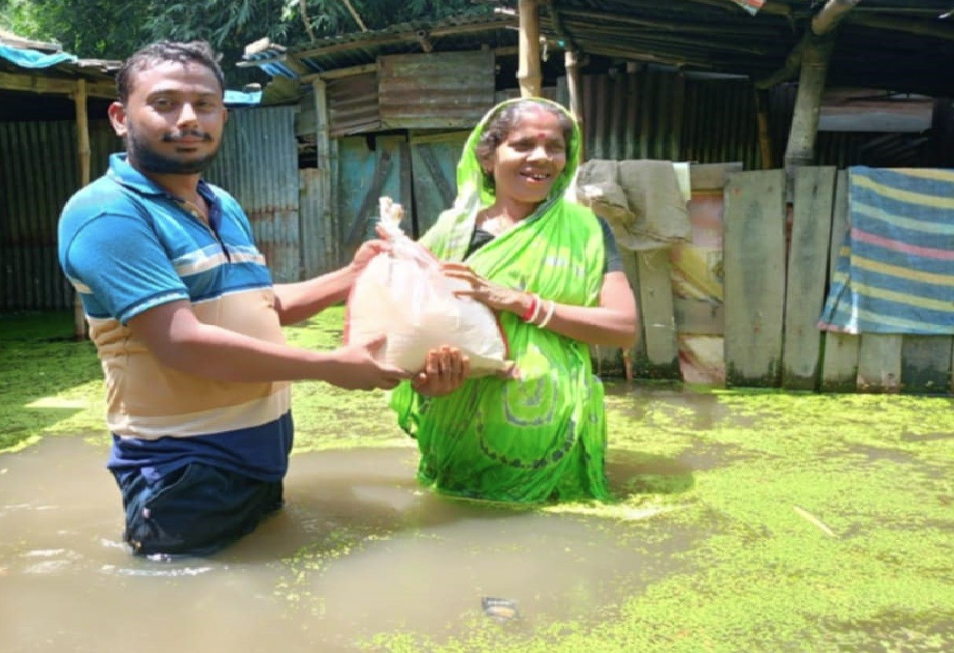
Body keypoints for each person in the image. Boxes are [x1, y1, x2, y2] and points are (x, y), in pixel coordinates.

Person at [57, 41, 452, 558]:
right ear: (120, 117)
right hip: (185, 466)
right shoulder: (109, 215)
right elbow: (182, 341)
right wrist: (329, 365)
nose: (189, 118)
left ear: (224, 114)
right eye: (164, 103)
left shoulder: (218, 203)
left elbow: (263, 304)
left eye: (204, 105)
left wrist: (354, 275)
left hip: (258, 454)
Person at [388, 97, 638, 504]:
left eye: (554, 147)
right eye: (522, 145)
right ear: (488, 157)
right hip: (456, 429)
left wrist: (522, 303)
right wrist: (429, 380)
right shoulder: (451, 234)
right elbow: (408, 328)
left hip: (553, 435)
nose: (541, 158)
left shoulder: (588, 231)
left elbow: (623, 329)